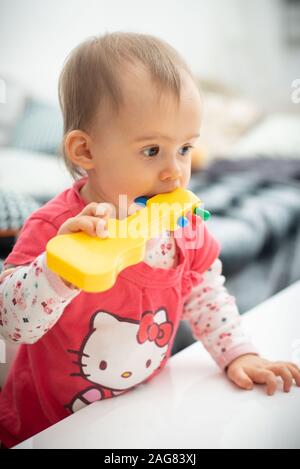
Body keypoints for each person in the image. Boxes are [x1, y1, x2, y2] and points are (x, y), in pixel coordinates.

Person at [0, 32, 299, 448]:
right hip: (48, 426)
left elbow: (206, 293)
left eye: (185, 149)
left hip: (142, 414)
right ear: (85, 150)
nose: (175, 172)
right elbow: (13, 324)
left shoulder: (183, 226)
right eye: (152, 150)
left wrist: (239, 354)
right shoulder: (55, 229)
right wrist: (57, 269)